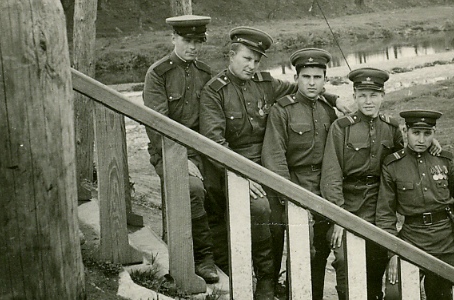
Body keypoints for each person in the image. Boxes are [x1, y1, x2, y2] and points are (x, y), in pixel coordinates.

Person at [199, 27, 346, 300]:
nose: (252, 66)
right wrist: (243, 175)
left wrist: (336, 98)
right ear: (231, 56)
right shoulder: (215, 91)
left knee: (277, 214)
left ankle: (278, 282)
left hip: (266, 165)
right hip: (232, 165)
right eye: (246, 59)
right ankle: (266, 278)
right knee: (264, 211)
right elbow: (214, 143)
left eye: (256, 61)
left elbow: (305, 88)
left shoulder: (265, 83)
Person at [142, 15, 219, 283]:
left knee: (223, 186)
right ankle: (203, 257)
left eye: (198, 41)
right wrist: (180, 158)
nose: (193, 47)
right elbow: (156, 125)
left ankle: (223, 258)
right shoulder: (159, 74)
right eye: (187, 40)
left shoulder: (206, 73)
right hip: (168, 152)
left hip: (201, 152)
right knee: (193, 189)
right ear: (173, 38)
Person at [262, 48, 338, 300]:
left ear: (325, 80)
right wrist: (290, 197)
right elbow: (274, 156)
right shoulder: (282, 110)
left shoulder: (328, 110)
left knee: (319, 252)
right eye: (306, 77)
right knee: (293, 247)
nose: (312, 82)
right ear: (296, 78)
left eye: (318, 77)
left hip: (322, 188)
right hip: (292, 186)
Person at [320, 67, 403, 300]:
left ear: (382, 96)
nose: (368, 101)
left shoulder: (392, 128)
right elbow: (331, 174)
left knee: (377, 259)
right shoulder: (342, 128)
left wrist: (431, 144)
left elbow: (403, 165)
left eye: (374, 95)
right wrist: (339, 217)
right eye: (363, 95)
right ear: (354, 95)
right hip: (349, 206)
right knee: (345, 258)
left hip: (380, 208)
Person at [376, 110, 454, 300]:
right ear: (406, 131)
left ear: (434, 133)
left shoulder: (444, 160)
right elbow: (385, 214)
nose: (421, 139)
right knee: (395, 295)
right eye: (416, 133)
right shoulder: (393, 165)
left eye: (427, 133)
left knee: (447, 295)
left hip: (445, 241)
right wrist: (393, 253)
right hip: (412, 240)